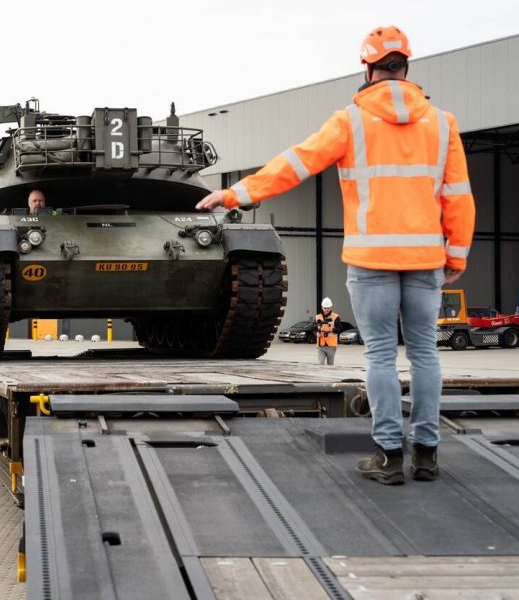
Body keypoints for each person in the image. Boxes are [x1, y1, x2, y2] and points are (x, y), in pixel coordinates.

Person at [196, 26, 475, 485]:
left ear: (367, 67)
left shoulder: (351, 120)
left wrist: (235, 194)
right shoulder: (443, 123)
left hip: (370, 261)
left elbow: (296, 163)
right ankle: (426, 454)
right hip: (426, 258)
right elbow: (458, 197)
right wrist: (457, 256)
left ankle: (390, 458)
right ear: (406, 66)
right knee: (426, 354)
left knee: (381, 357)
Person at [315, 297, 341, 365]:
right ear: (322, 307)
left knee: (330, 366)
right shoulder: (318, 317)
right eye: (325, 308)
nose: (326, 310)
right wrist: (316, 333)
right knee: (320, 364)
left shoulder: (336, 317)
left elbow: (340, 329)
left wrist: (332, 329)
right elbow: (313, 329)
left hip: (331, 346)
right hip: (321, 346)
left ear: (331, 307)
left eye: (328, 308)